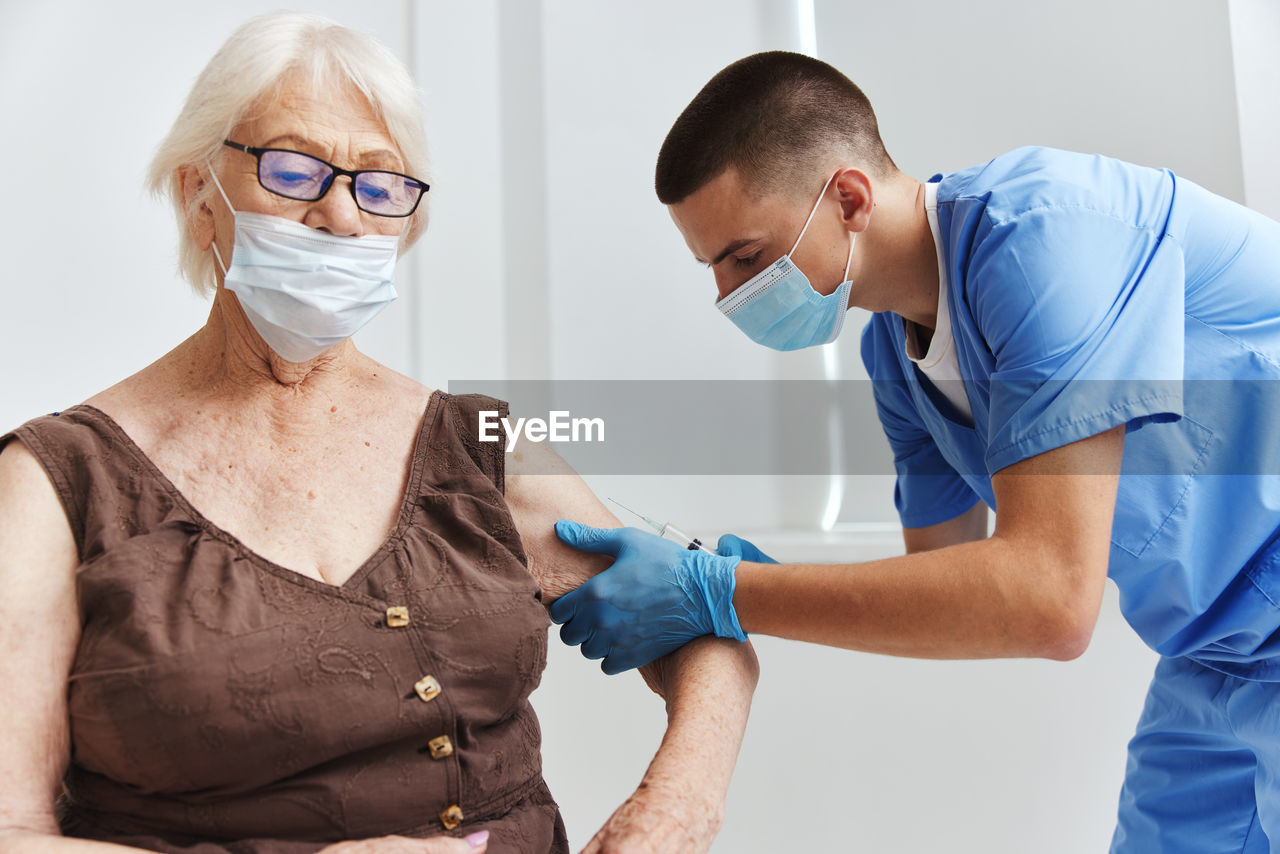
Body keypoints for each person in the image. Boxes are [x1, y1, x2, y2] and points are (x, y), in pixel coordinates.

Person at [0, 13, 758, 854]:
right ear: (196, 192)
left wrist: (679, 801)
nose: (341, 215)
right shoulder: (57, 481)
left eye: (381, 183)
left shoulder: (477, 447)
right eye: (292, 169)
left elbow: (700, 623)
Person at [550, 50, 1280, 852]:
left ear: (849, 198)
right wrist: (742, 582)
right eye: (713, 268)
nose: (728, 296)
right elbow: (950, 576)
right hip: (1220, 656)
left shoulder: (1044, 240)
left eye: (746, 257)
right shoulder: (898, 360)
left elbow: (1047, 599)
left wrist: (729, 591)